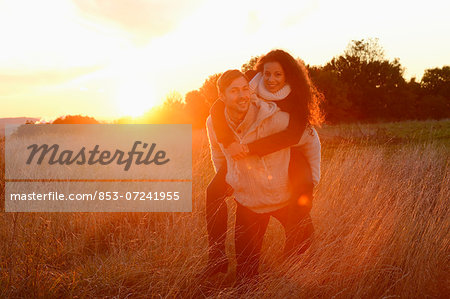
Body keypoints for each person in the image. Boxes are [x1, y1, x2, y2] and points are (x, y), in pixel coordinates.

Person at [205, 50, 323, 275]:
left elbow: (304, 138)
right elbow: (217, 108)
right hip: (243, 160)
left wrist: (313, 176)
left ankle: (295, 256)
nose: (271, 80)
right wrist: (228, 144)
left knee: (300, 203)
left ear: (288, 76)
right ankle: (217, 255)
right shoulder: (248, 85)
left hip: (288, 152)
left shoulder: (292, 101)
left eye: (278, 75)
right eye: (267, 74)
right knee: (214, 191)